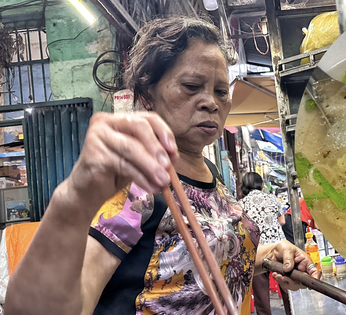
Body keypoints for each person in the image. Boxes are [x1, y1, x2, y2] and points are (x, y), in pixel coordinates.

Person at [4, 16, 318, 315]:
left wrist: (271, 256)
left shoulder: (211, 172)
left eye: (221, 91)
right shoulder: (136, 183)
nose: (211, 101)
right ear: (147, 94)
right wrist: (73, 197)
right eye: (192, 86)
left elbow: (203, 261)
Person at [239, 172, 289, 315]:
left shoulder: (241, 204)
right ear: (260, 184)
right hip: (278, 248)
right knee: (287, 288)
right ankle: (290, 311)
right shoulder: (271, 198)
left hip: (257, 250)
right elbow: (282, 221)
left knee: (261, 296)